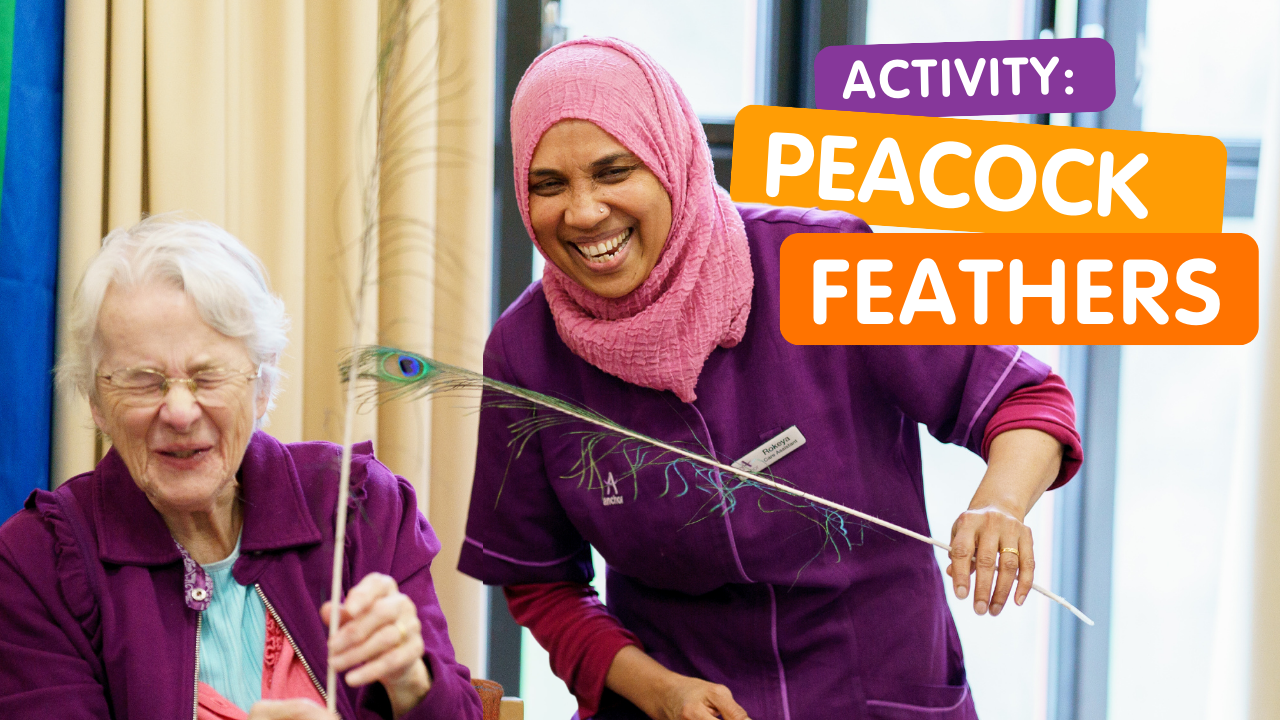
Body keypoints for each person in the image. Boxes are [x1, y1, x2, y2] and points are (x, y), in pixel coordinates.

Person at [459, 38, 1082, 720]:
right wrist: (658, 692)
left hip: (877, 695)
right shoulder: (525, 356)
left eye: (615, 171)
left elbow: (1023, 399)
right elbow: (540, 580)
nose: (582, 212)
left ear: (673, 159)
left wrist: (999, 503)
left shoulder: (825, 262)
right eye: (549, 184)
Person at [0, 218, 482, 720]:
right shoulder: (38, 562)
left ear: (262, 383)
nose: (181, 412)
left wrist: (412, 682)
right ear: (96, 400)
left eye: (209, 375)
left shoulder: (358, 509)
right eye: (143, 381)